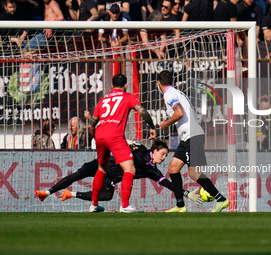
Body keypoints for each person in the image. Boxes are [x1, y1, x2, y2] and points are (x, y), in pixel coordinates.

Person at [35, 140, 204, 207]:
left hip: (110, 178)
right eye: (163, 154)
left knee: (107, 196)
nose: (164, 158)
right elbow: (126, 144)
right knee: (78, 174)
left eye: (166, 156)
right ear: (155, 150)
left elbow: (167, 184)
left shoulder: (152, 171)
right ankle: (47, 192)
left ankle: (70, 194)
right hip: (103, 165)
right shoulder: (141, 149)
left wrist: (185, 193)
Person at [157, 70, 229, 213]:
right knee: (173, 168)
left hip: (192, 135)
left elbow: (179, 113)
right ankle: (180, 205)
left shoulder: (169, 94)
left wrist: (165, 124)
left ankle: (221, 199)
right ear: (171, 81)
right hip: (187, 136)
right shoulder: (177, 92)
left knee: (194, 173)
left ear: (158, 83)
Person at [88, 73, 156, 213]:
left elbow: (91, 124)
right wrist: (152, 127)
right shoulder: (128, 97)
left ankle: (94, 204)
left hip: (100, 136)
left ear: (111, 85)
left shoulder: (103, 99)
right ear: (125, 85)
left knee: (102, 168)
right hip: (114, 136)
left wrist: (95, 138)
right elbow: (142, 112)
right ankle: (125, 205)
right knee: (130, 169)